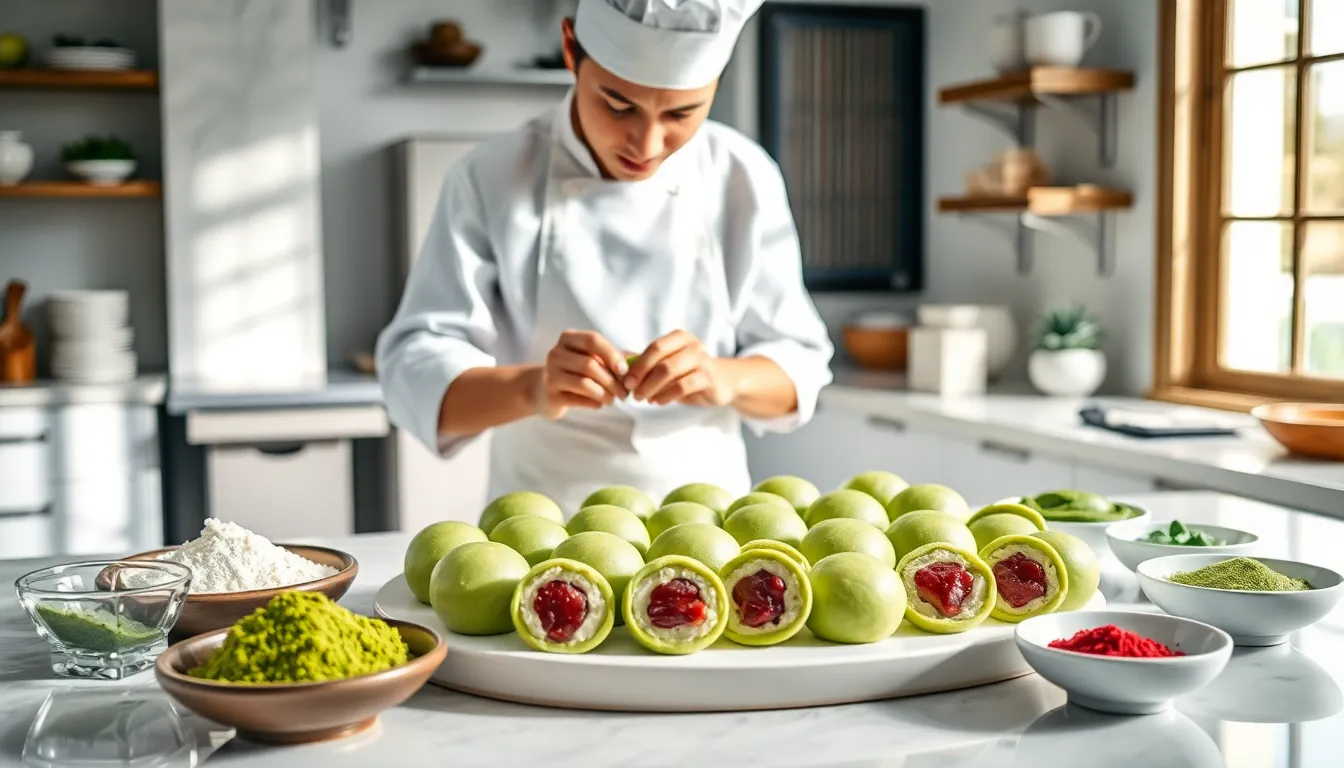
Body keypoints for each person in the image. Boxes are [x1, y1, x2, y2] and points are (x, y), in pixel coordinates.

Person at [376, 0, 834, 514]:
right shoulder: (490, 177)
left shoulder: (744, 175)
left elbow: (798, 371)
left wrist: (720, 377)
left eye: (682, 113)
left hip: (711, 525)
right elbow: (413, 370)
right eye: (619, 105)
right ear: (571, 50)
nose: (647, 143)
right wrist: (535, 387)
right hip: (541, 525)